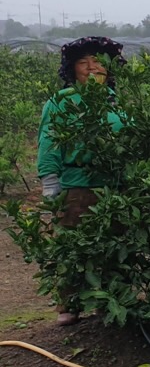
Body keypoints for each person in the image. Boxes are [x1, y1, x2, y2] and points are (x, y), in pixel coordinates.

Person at [37, 36, 128, 325]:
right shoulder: (60, 103)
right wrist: (51, 183)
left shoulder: (118, 103)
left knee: (113, 246)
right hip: (76, 185)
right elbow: (48, 143)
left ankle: (110, 303)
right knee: (73, 246)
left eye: (97, 61)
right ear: (72, 68)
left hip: (112, 185)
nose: (91, 67)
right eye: (83, 62)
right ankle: (70, 304)